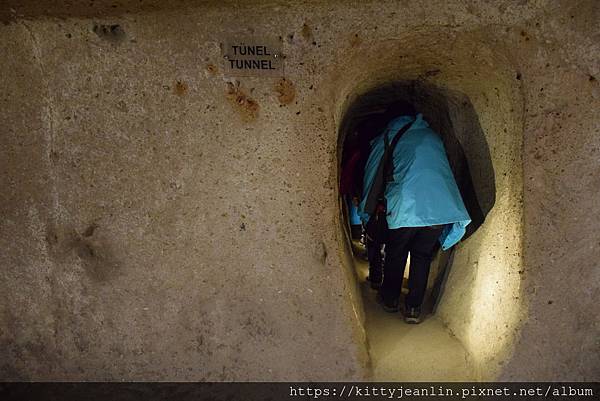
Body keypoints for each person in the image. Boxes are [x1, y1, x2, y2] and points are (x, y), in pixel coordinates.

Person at [357, 102, 471, 324]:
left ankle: (389, 299)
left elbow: (373, 174)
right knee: (422, 256)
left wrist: (365, 212)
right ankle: (413, 309)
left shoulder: (389, 136)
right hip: (439, 210)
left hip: (406, 207)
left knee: (396, 252)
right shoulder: (432, 136)